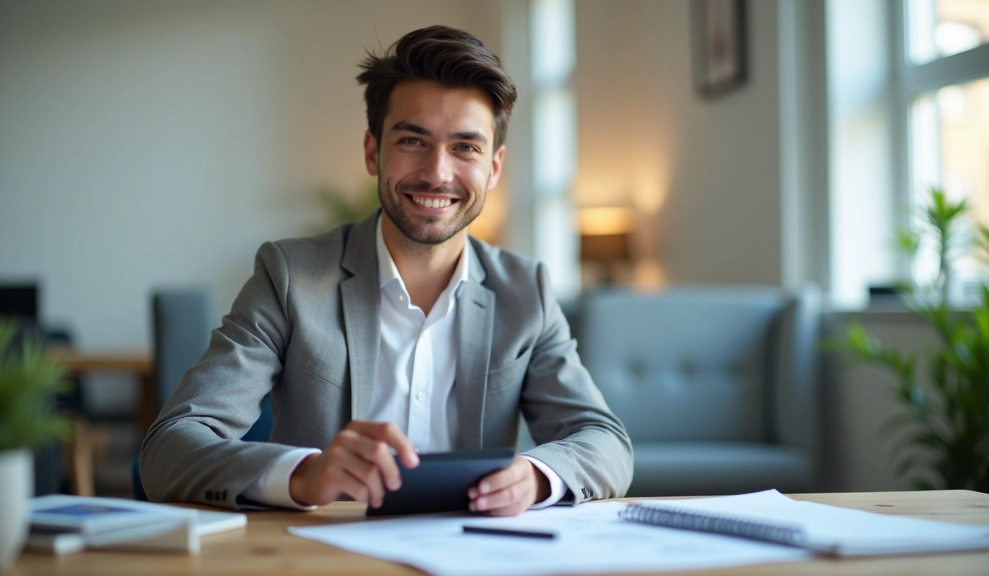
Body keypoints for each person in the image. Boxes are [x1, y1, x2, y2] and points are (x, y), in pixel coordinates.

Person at [139, 25, 632, 516]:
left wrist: (537, 476)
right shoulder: (289, 276)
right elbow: (169, 449)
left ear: (494, 167)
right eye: (413, 140)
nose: (438, 173)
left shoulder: (528, 291)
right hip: (322, 557)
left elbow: (604, 441)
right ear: (373, 151)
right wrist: (305, 474)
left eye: (466, 147)